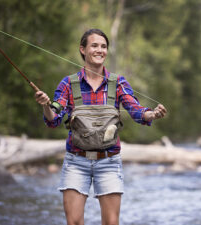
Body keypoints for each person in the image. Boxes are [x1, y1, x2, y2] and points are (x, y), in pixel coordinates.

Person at [35, 28, 167, 225]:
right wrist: (46, 106)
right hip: (75, 162)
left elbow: (136, 110)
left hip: (109, 162)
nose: (100, 50)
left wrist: (152, 114)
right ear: (83, 49)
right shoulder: (68, 84)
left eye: (104, 46)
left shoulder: (118, 83)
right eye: (94, 45)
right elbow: (53, 119)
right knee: (74, 223)